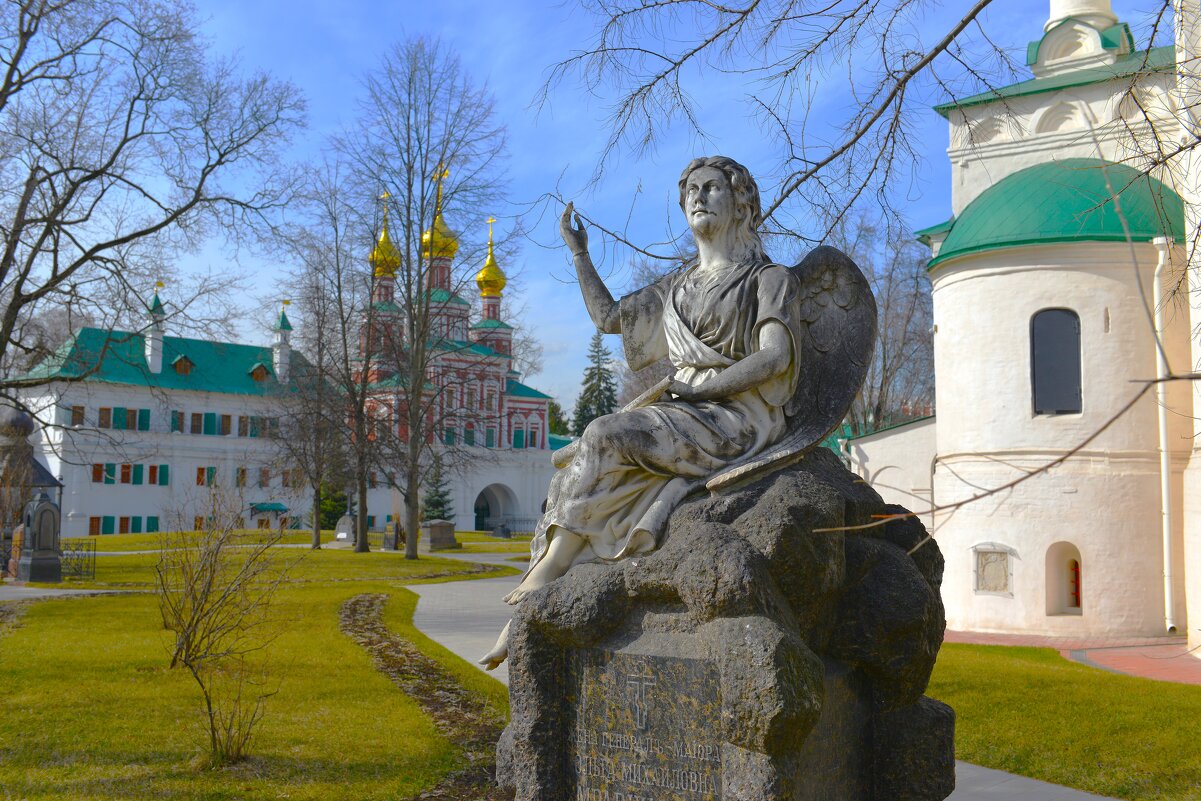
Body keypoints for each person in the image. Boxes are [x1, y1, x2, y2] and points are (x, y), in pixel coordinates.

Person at [479, 156, 803, 670]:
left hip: (737, 418)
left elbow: (776, 357)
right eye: (691, 190)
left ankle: (548, 573)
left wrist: (705, 389)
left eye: (712, 188)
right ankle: (547, 583)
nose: (698, 197)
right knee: (588, 458)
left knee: (602, 435)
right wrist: (579, 254)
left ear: (741, 203)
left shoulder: (769, 279)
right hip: (684, 409)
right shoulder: (676, 288)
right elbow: (610, 318)